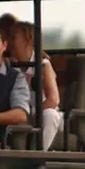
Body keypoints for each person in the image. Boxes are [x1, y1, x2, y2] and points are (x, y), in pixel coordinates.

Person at [9, 20, 63, 150]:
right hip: (20, 113)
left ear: (28, 40)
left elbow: (53, 100)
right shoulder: (10, 66)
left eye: (14, 38)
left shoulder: (43, 64)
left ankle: (36, 157)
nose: (9, 42)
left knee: (49, 115)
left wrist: (32, 116)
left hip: (42, 113)